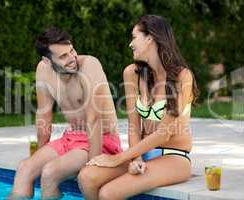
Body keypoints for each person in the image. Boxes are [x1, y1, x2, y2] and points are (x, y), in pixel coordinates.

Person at [78, 15, 199, 200]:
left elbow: (163, 133)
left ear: (150, 38)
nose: (130, 44)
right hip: (141, 153)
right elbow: (134, 126)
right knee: (86, 177)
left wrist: (118, 158)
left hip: (174, 156)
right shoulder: (131, 73)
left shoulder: (182, 76)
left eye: (134, 37)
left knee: (108, 194)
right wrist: (135, 158)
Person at [9, 27, 122, 199]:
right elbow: (44, 115)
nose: (72, 58)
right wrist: (40, 154)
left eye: (71, 51)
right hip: (70, 138)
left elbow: (94, 118)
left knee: (49, 173)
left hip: (102, 140)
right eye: (63, 56)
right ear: (47, 61)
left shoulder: (90, 65)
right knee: (25, 169)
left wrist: (93, 166)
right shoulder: (43, 70)